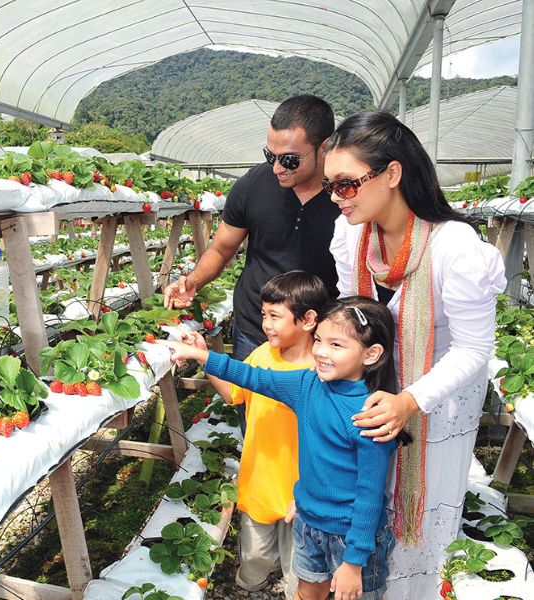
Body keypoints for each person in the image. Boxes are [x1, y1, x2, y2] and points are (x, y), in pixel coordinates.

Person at [324, 110, 506, 598]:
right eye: (330, 187)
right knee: (365, 502)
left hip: (437, 407)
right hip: (375, 395)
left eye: (346, 184)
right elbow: (352, 315)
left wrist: (409, 400)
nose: (337, 198)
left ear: (392, 173)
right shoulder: (352, 235)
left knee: (418, 523)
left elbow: (474, 350)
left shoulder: (455, 248)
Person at [163, 297, 402, 600]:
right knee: (306, 592)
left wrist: (354, 562)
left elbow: (369, 497)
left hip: (351, 536)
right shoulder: (307, 384)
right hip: (308, 522)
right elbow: (254, 376)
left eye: (336, 345)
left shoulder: (370, 415)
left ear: (372, 354)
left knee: (354, 595)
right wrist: (201, 354)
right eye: (318, 340)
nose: (321, 352)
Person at [164, 94, 340, 366]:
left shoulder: (346, 195)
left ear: (324, 147)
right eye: (271, 156)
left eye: (290, 160)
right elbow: (222, 248)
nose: (278, 167)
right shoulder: (253, 185)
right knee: (250, 405)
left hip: (318, 336)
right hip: (256, 327)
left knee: (308, 409)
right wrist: (194, 282)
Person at [198, 270, 328, 598]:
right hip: (260, 478)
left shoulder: (324, 369)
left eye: (275, 315)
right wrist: (205, 359)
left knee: (299, 563)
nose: (266, 324)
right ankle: (249, 585)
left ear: (308, 319)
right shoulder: (261, 355)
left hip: (302, 489)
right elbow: (233, 395)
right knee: (255, 554)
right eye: (263, 315)